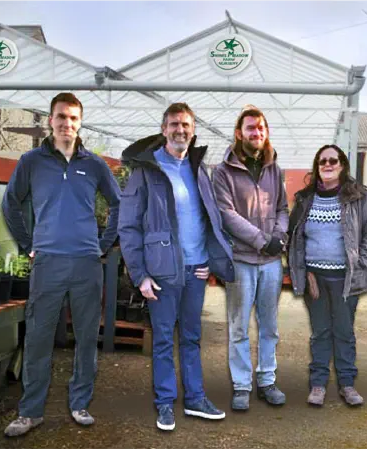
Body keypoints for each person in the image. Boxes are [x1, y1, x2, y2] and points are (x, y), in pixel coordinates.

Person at [2, 93, 121, 436]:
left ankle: (80, 403)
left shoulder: (94, 164)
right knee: (38, 337)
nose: (66, 123)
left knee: (85, 337)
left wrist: (103, 243)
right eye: (60, 117)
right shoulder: (32, 161)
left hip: (86, 263)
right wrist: (28, 244)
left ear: (80, 122)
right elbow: (12, 203)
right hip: (48, 262)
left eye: (72, 118)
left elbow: (118, 203)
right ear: (50, 121)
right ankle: (30, 412)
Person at [117, 102, 235, 431]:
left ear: (193, 130)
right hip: (162, 273)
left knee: (192, 337)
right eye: (173, 124)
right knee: (165, 339)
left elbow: (212, 220)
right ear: (164, 129)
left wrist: (210, 261)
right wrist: (140, 274)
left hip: (195, 269)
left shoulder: (200, 170)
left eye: (185, 124)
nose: (179, 130)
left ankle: (196, 398)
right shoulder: (147, 171)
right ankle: (165, 402)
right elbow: (128, 227)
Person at [288, 144, 367, 407]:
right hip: (314, 278)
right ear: (317, 167)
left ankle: (347, 384)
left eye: (333, 161)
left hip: (346, 278)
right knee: (320, 332)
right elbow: (293, 236)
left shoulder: (359, 197)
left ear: (342, 165)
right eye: (322, 162)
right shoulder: (304, 199)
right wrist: (300, 270)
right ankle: (318, 384)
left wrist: (360, 262)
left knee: (343, 331)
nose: (327, 165)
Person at [212, 106, 289, 411]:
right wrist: (261, 240)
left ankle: (267, 380)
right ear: (238, 133)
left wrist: (279, 237)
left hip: (270, 263)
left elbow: (283, 208)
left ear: (265, 132)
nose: (255, 133)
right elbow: (226, 214)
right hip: (242, 260)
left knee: (269, 325)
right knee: (239, 326)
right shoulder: (223, 172)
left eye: (260, 128)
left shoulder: (275, 170)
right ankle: (242, 385)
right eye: (249, 128)